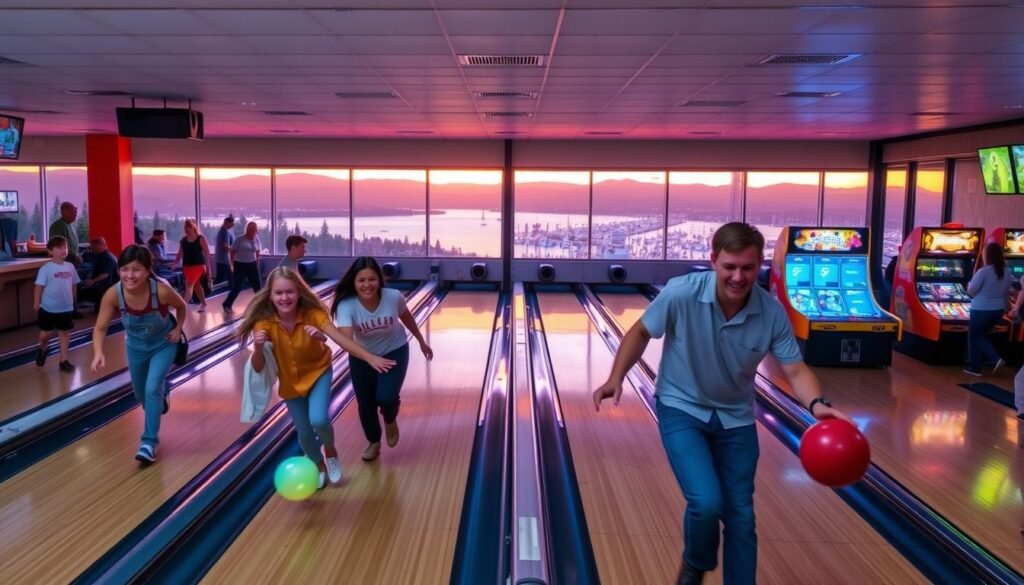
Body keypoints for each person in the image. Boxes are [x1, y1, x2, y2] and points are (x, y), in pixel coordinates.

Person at [592, 222, 850, 585]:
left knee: (741, 516)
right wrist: (616, 376)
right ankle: (696, 563)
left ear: (759, 264)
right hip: (681, 407)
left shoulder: (772, 313)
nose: (737, 276)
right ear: (713, 260)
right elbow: (640, 331)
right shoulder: (681, 293)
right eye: (729, 266)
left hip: (736, 419)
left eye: (747, 267)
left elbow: (795, 369)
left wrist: (817, 404)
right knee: (706, 502)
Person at [238, 266, 397, 487]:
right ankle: (318, 463)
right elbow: (258, 367)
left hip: (318, 372)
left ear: (299, 292)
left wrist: (366, 356)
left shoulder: (313, 315)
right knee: (303, 434)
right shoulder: (263, 324)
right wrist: (257, 347)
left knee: (319, 419)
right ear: (270, 295)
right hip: (290, 383)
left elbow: (340, 339)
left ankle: (330, 451)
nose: (285, 297)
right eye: (279, 293)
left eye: (290, 292)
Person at [91, 245, 187, 464]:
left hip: (163, 344)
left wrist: (177, 328)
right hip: (135, 347)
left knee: (152, 388)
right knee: (141, 394)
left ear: (147, 270)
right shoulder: (113, 294)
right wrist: (98, 352)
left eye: (136, 270)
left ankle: (149, 443)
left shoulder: (160, 290)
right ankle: (161, 395)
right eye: (124, 269)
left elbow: (181, 306)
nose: (129, 275)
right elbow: (100, 327)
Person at [331, 257, 433, 462]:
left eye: (372, 279)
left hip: (394, 350)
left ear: (379, 280)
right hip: (361, 356)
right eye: (361, 280)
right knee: (366, 404)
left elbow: (407, 318)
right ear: (354, 282)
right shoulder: (346, 306)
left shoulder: (393, 297)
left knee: (386, 397)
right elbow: (345, 341)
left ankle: (390, 417)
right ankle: (374, 442)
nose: (367, 285)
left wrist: (421, 341)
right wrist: (370, 358)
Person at [964, 242, 1012, 377]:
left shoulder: (983, 271)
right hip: (998, 310)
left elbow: (972, 292)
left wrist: (968, 285)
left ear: (988, 255)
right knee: (981, 335)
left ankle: (990, 361)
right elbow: (1006, 293)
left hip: (981, 309)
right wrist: (1007, 308)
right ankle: (976, 366)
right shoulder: (1006, 271)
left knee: (975, 336)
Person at [33, 236, 79, 372]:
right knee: (45, 334)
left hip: (66, 308)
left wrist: (74, 301)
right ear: (50, 251)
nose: (63, 250)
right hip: (48, 308)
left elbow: (73, 284)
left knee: (64, 333)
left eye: (65, 247)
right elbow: (38, 286)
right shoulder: (46, 268)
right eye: (59, 247)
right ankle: (43, 348)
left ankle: (63, 360)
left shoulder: (70, 267)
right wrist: (36, 301)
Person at [173, 219, 213, 313]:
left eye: (189, 227)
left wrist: (209, 269)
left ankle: (182, 306)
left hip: (199, 266)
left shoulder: (201, 238)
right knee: (196, 285)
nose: (186, 229)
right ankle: (203, 303)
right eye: (185, 227)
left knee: (189, 285)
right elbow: (180, 254)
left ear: (193, 227)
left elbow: (207, 253)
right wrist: (175, 263)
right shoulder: (183, 240)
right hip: (187, 267)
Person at [222, 221, 262, 312]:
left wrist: (257, 261)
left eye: (255, 229)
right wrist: (231, 264)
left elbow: (257, 251)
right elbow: (232, 251)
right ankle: (227, 304)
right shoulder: (240, 239)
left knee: (258, 287)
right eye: (251, 229)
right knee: (237, 287)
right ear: (247, 229)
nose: (253, 231)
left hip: (252, 264)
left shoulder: (256, 239)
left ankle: (261, 306)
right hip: (240, 265)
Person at [79, 236, 118, 308]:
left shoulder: (106, 257)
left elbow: (105, 274)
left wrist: (92, 281)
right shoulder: (106, 255)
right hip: (108, 287)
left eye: (93, 247)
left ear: (101, 245)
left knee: (81, 294)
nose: (92, 249)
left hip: (105, 288)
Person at [215, 215, 236, 285]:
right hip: (224, 259)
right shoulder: (225, 232)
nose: (232, 225)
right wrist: (233, 249)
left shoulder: (221, 231)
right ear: (226, 222)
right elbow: (225, 246)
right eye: (232, 223)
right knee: (229, 278)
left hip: (220, 258)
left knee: (221, 278)